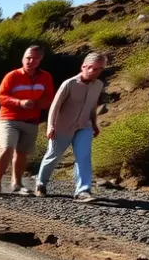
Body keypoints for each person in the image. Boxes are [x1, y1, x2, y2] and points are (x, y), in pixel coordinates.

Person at [36, 53, 107, 202]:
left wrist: (94, 123)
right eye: (92, 68)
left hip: (84, 126)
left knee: (83, 157)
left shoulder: (98, 85)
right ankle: (41, 183)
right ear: (83, 67)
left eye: (99, 69)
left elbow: (92, 106)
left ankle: (83, 191)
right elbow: (55, 106)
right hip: (62, 127)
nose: (95, 72)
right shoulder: (69, 84)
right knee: (53, 155)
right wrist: (50, 126)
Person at [0, 45, 54, 196]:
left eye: (34, 58)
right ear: (23, 58)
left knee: (22, 153)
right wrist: (19, 103)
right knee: (6, 148)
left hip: (32, 120)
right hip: (9, 118)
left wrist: (40, 104)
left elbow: (49, 96)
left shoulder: (45, 77)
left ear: (40, 60)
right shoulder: (12, 76)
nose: (30, 61)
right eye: (28, 57)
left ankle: (17, 184)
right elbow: (0, 97)